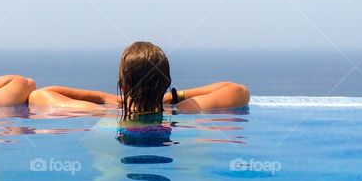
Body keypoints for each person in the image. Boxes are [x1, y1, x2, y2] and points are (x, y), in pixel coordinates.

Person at [28, 41, 249, 116]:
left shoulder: (101, 112)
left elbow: (39, 95)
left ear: (122, 85)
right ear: (166, 82)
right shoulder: (184, 110)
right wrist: (171, 97)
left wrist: (108, 98)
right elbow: (238, 91)